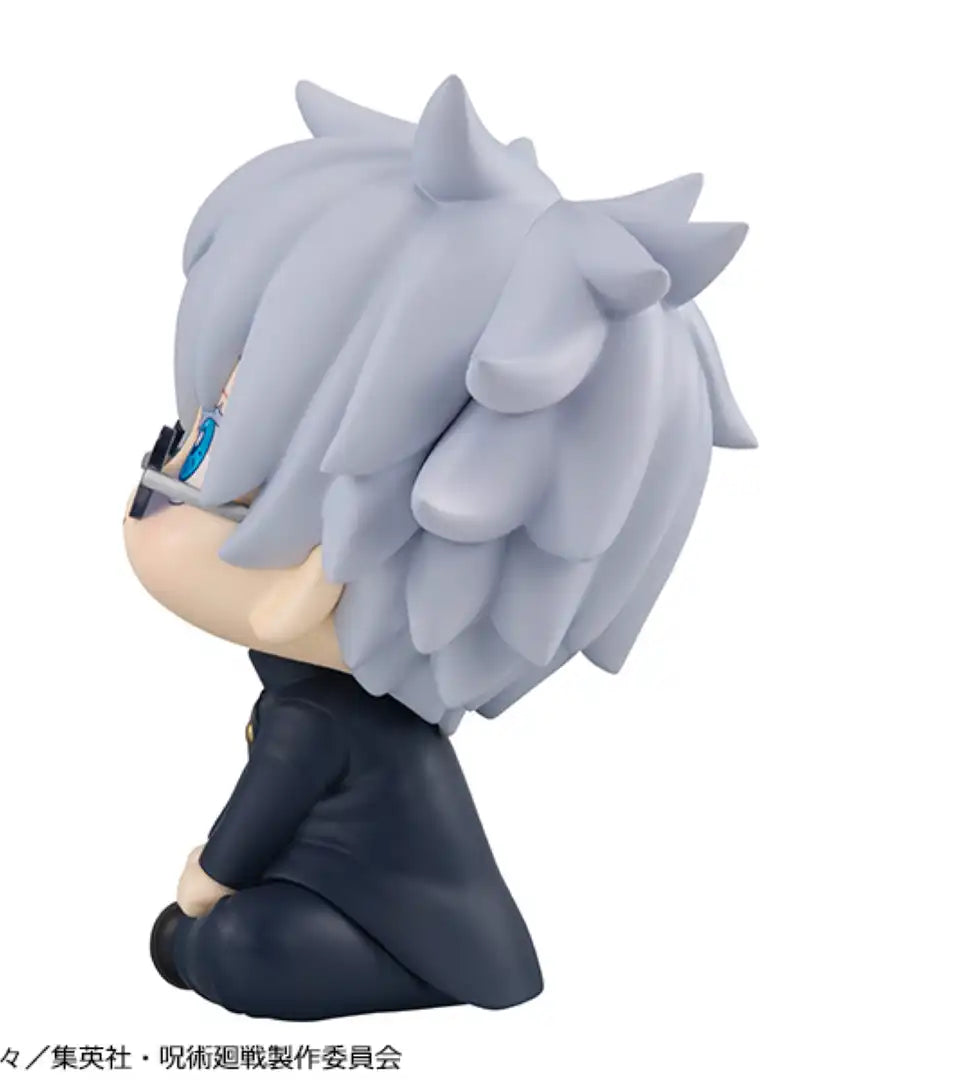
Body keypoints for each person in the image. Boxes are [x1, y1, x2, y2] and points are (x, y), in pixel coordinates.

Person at [122, 75, 755, 1019]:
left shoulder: (317, 715)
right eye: (200, 435)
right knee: (229, 941)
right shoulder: (317, 696)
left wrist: (204, 888)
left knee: (234, 944)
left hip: (416, 945)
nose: (159, 490)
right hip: (355, 903)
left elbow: (244, 839)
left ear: (320, 574)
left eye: (221, 461)